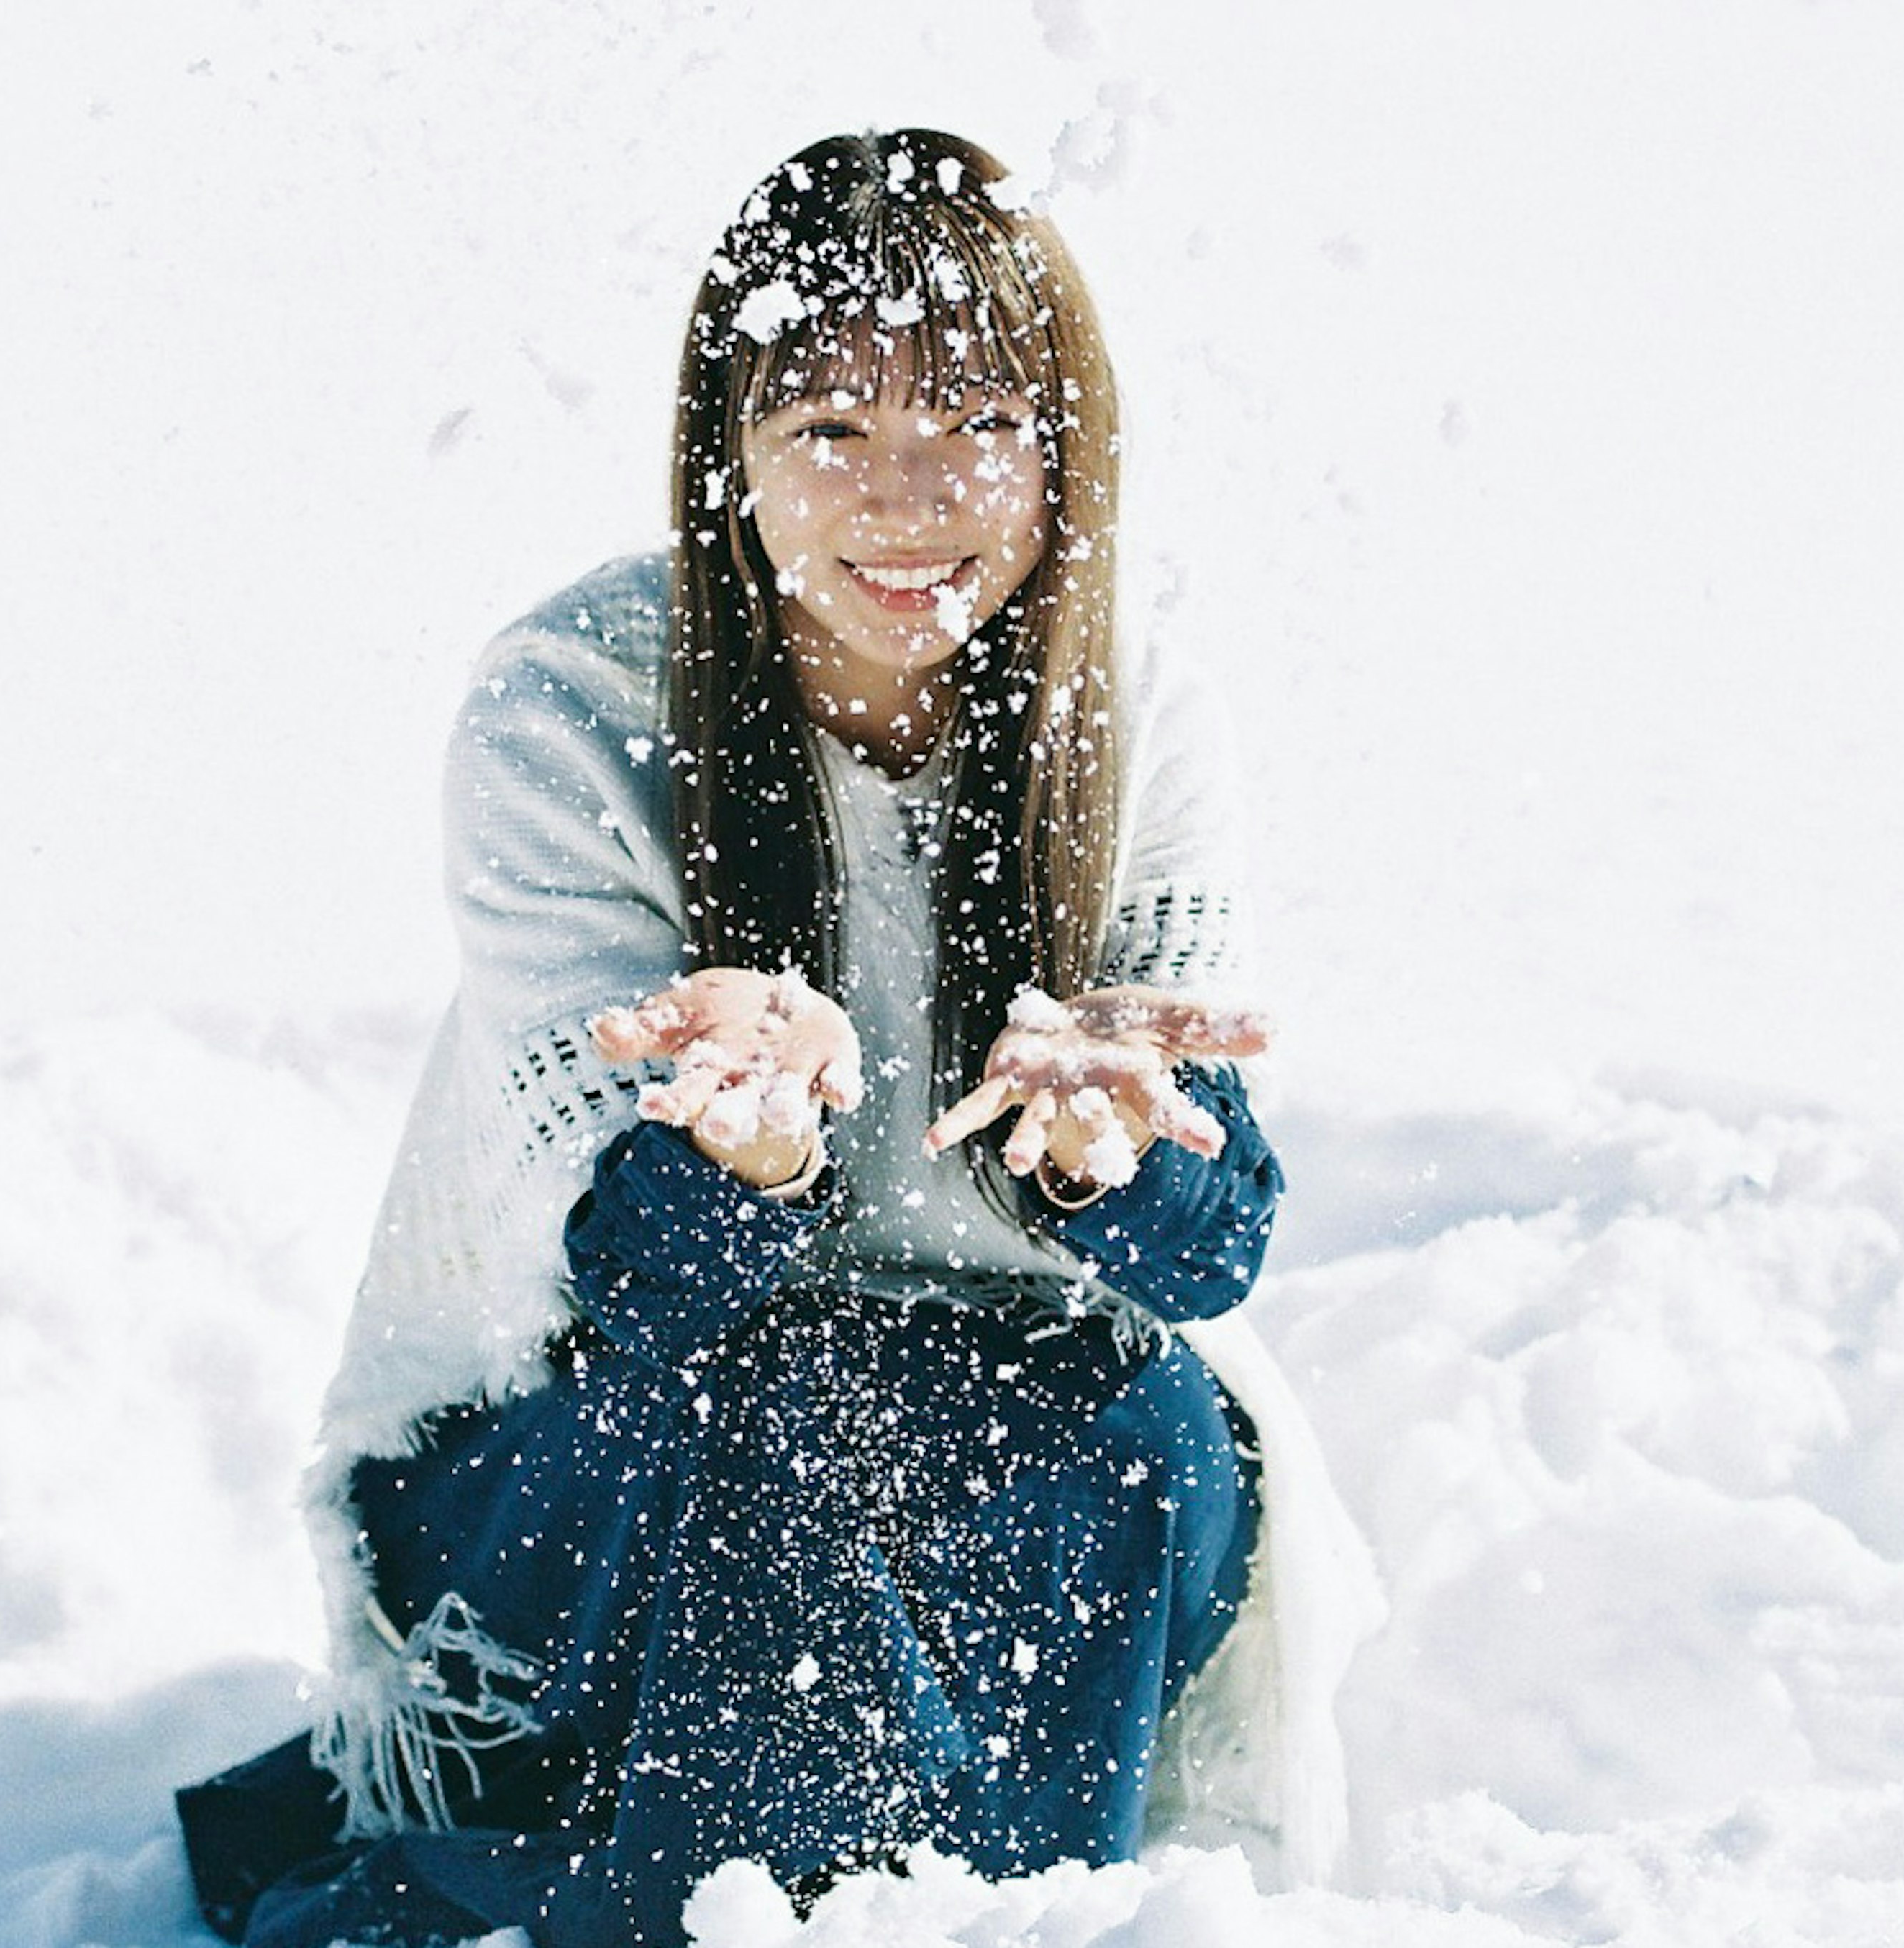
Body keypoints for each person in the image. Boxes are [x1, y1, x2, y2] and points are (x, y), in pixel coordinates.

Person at [177, 127, 1367, 1948]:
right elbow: (624, 1282)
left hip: (1020, 1433)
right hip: (567, 1464)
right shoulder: (573, 709)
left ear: (1066, 447)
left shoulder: (1136, 711)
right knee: (793, 1418)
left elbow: (1212, 1261)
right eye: (827, 429)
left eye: (971, 419)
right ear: (726, 458)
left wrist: (1116, 1158)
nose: (904, 497)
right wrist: (741, 1152)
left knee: (1142, 1422)